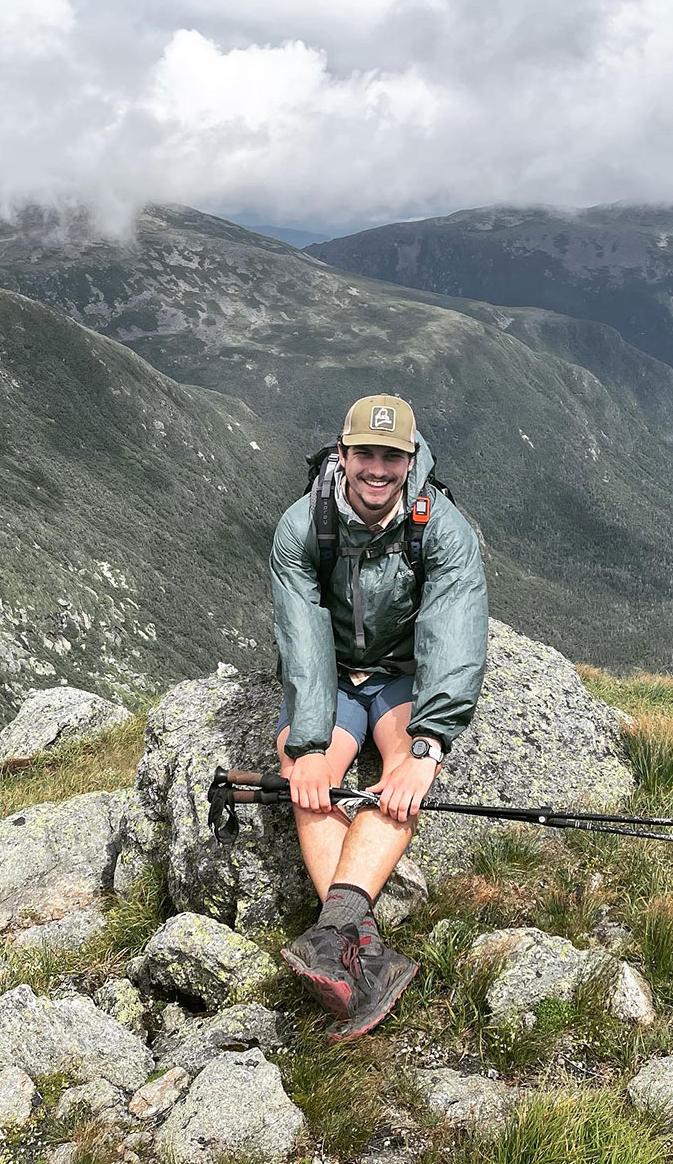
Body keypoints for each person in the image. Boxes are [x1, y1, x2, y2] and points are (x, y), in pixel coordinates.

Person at [270, 393, 488, 1040]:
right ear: (342, 455)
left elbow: (454, 631)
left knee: (400, 781)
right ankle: (360, 946)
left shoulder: (442, 527)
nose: (377, 468)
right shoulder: (303, 525)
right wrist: (309, 743)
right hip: (331, 674)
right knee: (304, 774)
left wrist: (426, 748)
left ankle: (331, 937)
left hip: (400, 675)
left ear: (411, 458)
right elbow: (304, 634)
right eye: (365, 453)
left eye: (391, 456)